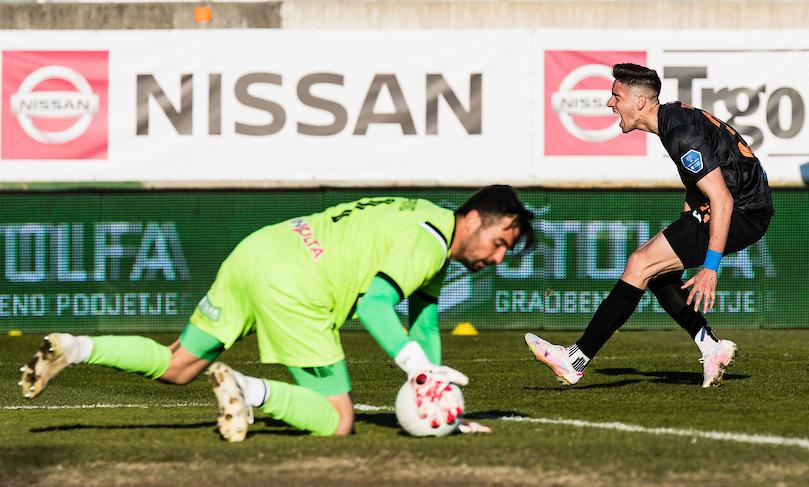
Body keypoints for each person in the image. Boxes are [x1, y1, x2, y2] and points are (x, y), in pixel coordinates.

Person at [19, 187, 536, 440]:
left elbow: (423, 317)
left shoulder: (428, 223)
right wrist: (418, 372)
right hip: (297, 284)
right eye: (498, 243)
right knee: (338, 422)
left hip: (260, 249)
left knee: (177, 365)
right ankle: (248, 390)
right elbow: (377, 305)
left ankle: (76, 346)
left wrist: (440, 394)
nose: (496, 258)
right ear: (471, 219)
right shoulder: (428, 242)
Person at [525, 62, 773, 388]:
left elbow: (722, 199)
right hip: (744, 207)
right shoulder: (673, 120)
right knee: (658, 275)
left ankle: (575, 359)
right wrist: (689, 216)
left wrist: (710, 267)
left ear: (640, 101)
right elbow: (704, 177)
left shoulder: (679, 133)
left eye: (616, 96)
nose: (610, 103)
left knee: (640, 263)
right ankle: (711, 347)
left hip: (740, 211)